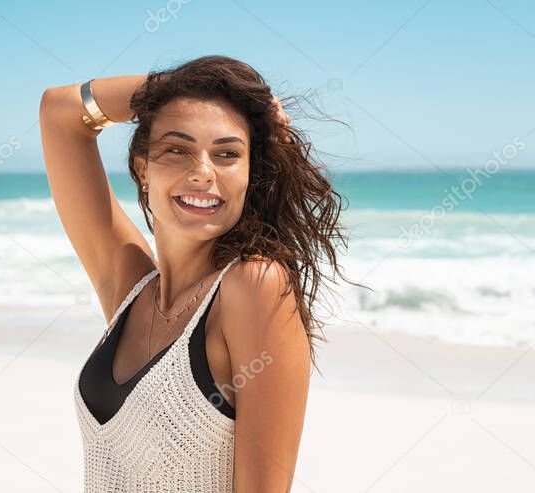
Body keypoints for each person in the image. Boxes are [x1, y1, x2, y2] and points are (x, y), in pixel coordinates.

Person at [38, 54, 348, 492]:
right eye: (177, 150)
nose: (203, 173)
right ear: (143, 168)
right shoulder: (132, 289)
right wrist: (184, 88)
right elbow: (60, 111)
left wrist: (209, 97)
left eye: (227, 153)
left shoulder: (253, 286)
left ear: (249, 173)